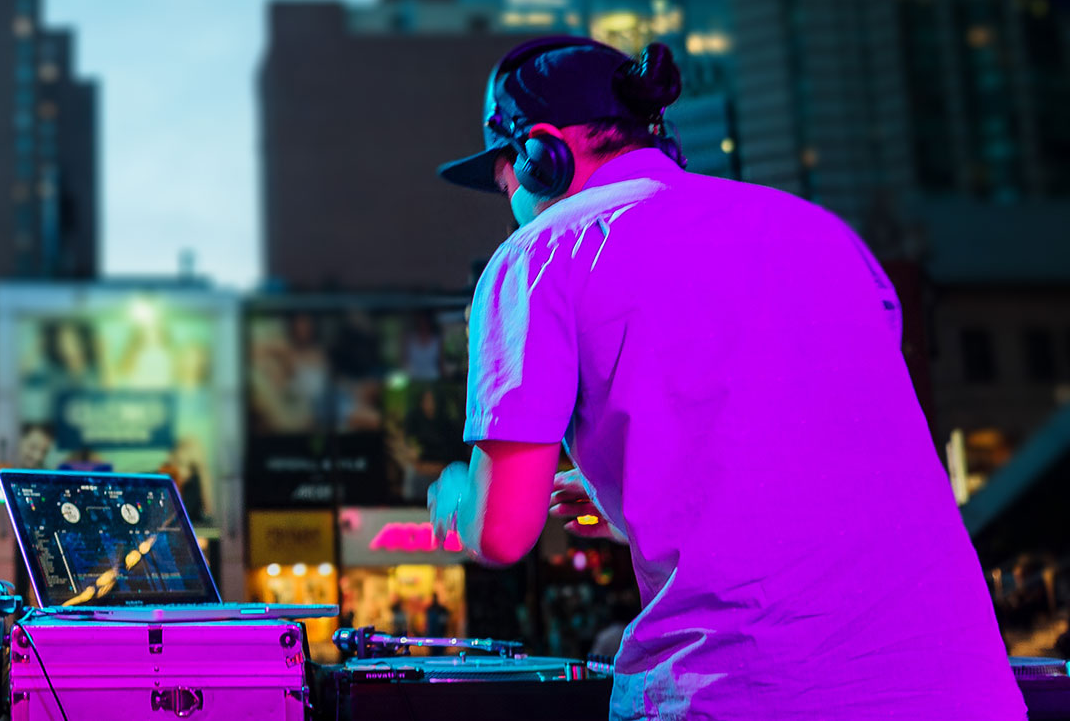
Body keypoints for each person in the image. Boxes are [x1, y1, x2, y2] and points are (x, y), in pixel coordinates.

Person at [424, 36, 1022, 719]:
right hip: (963, 692)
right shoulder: (822, 233)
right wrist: (636, 509)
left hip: (746, 694)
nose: (510, 198)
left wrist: (459, 496)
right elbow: (823, 450)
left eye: (503, 177)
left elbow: (503, 533)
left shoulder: (538, 254)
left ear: (538, 153)